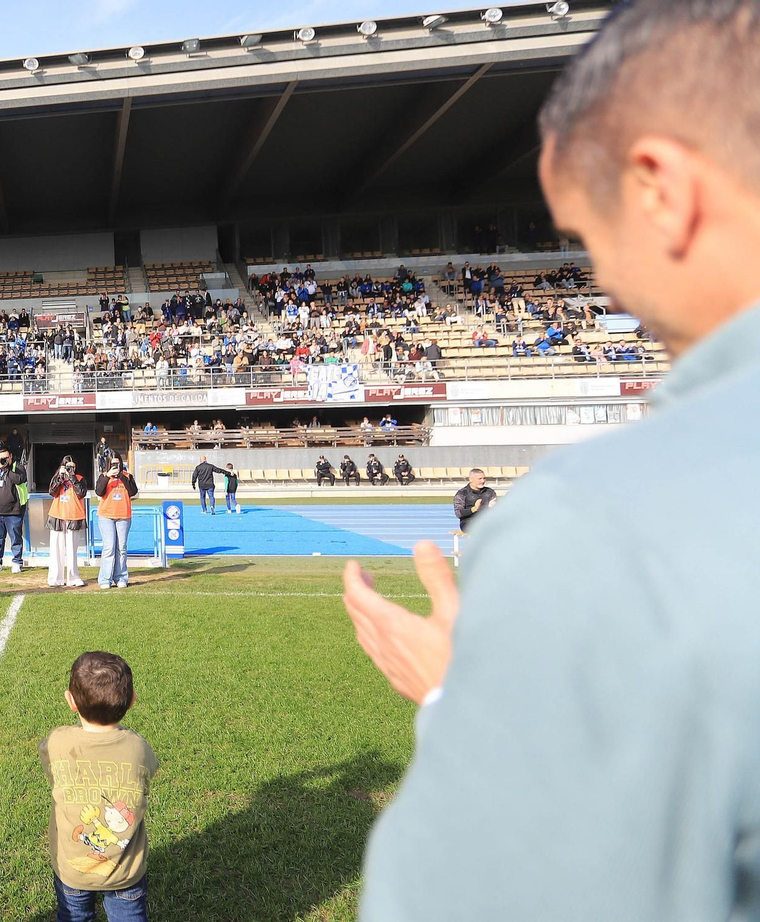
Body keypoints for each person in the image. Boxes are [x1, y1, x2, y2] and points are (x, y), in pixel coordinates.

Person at [344, 4, 760, 917]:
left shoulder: (600, 526)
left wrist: (463, 701)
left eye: (583, 232)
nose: (599, 282)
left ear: (661, 189)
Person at [40, 652, 158, 922]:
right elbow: (150, 770)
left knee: (74, 917)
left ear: (70, 700)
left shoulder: (58, 742)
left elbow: (48, 763)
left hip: (71, 870)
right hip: (126, 871)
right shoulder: (138, 748)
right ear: (131, 701)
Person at [0, 448, 28, 573]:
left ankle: (17, 562)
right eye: (2, 458)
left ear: (11, 456)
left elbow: (19, 479)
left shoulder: (18, 468)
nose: (4, 460)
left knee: (15, 538)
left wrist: (6, 469)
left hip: (13, 511)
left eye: (6, 457)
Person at [46, 456, 89, 588]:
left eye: (73, 467)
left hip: (73, 516)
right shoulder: (58, 477)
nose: (70, 469)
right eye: (68, 467)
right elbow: (52, 492)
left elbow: (81, 493)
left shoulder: (80, 479)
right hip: (58, 516)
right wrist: (60, 478)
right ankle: (55, 578)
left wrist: (72, 477)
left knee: (72, 550)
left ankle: (73, 577)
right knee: (56, 550)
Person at [96, 456, 138, 589]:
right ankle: (105, 579)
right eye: (113, 464)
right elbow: (99, 491)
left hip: (124, 516)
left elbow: (133, 491)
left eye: (117, 464)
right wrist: (108, 476)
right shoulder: (103, 476)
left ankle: (121, 577)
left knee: (122, 547)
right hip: (106, 515)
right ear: (108, 464)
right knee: (109, 547)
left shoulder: (127, 476)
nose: (115, 466)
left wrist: (122, 476)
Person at [452, 468, 498, 533]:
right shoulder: (462, 493)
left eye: (484, 478)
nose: (482, 481)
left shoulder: (490, 492)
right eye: (480, 479)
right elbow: (458, 513)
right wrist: (474, 508)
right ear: (471, 479)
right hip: (469, 522)